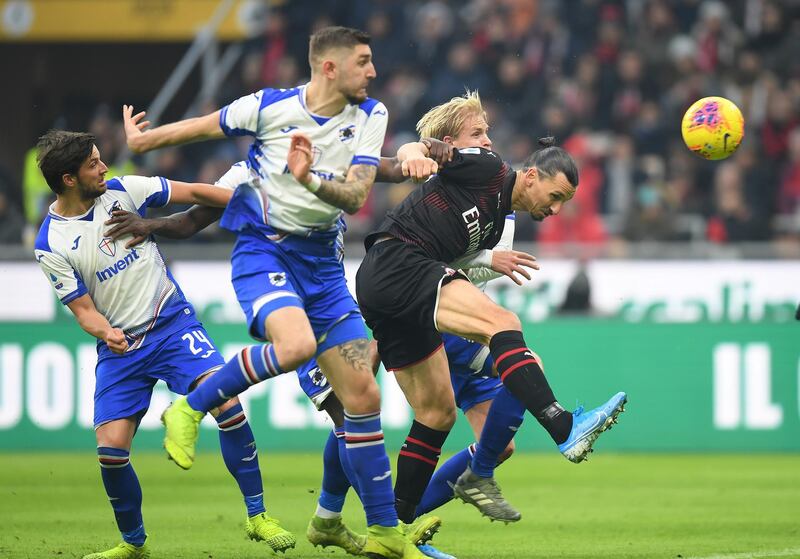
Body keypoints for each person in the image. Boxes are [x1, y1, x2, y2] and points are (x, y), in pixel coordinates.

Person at [122, 26, 425, 559]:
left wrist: (312, 180)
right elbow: (203, 127)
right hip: (266, 254)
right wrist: (143, 141)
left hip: (325, 275)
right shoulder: (268, 109)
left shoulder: (370, 116)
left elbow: (355, 194)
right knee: (296, 347)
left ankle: (382, 532)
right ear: (329, 67)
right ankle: (189, 408)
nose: (373, 72)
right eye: (364, 61)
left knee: (364, 398)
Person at [32, 130, 295, 559]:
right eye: (93, 164)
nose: (104, 168)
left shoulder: (123, 189)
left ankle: (258, 515)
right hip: (121, 349)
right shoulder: (51, 242)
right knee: (111, 452)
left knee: (228, 407)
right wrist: (104, 332)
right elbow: (82, 308)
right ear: (68, 179)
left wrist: (255, 203)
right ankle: (134, 544)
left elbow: (193, 192)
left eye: (101, 159)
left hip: (171, 325)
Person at [352, 130, 628, 528]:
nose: (554, 211)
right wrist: (415, 152)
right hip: (397, 264)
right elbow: (420, 150)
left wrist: (486, 261)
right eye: (554, 198)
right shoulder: (490, 169)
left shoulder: (497, 226)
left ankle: (390, 529)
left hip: (396, 292)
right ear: (531, 176)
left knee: (436, 415)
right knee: (503, 324)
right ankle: (563, 427)